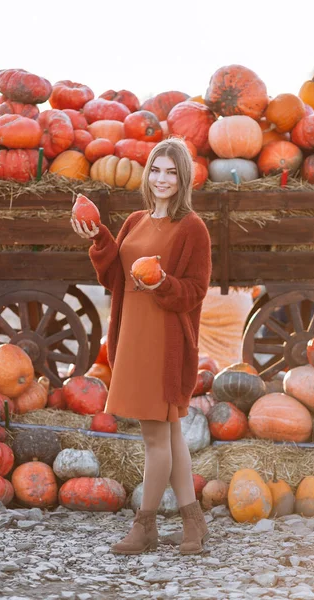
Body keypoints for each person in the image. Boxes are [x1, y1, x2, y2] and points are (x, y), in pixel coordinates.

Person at [71, 138, 212, 555]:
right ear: (147, 173)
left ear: (183, 178)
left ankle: (145, 526)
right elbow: (116, 276)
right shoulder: (134, 221)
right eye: (156, 170)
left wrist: (162, 282)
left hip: (164, 341)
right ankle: (193, 523)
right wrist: (99, 237)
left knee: (156, 439)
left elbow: (195, 291)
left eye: (171, 172)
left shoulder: (192, 229)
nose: (162, 179)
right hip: (132, 335)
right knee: (170, 434)